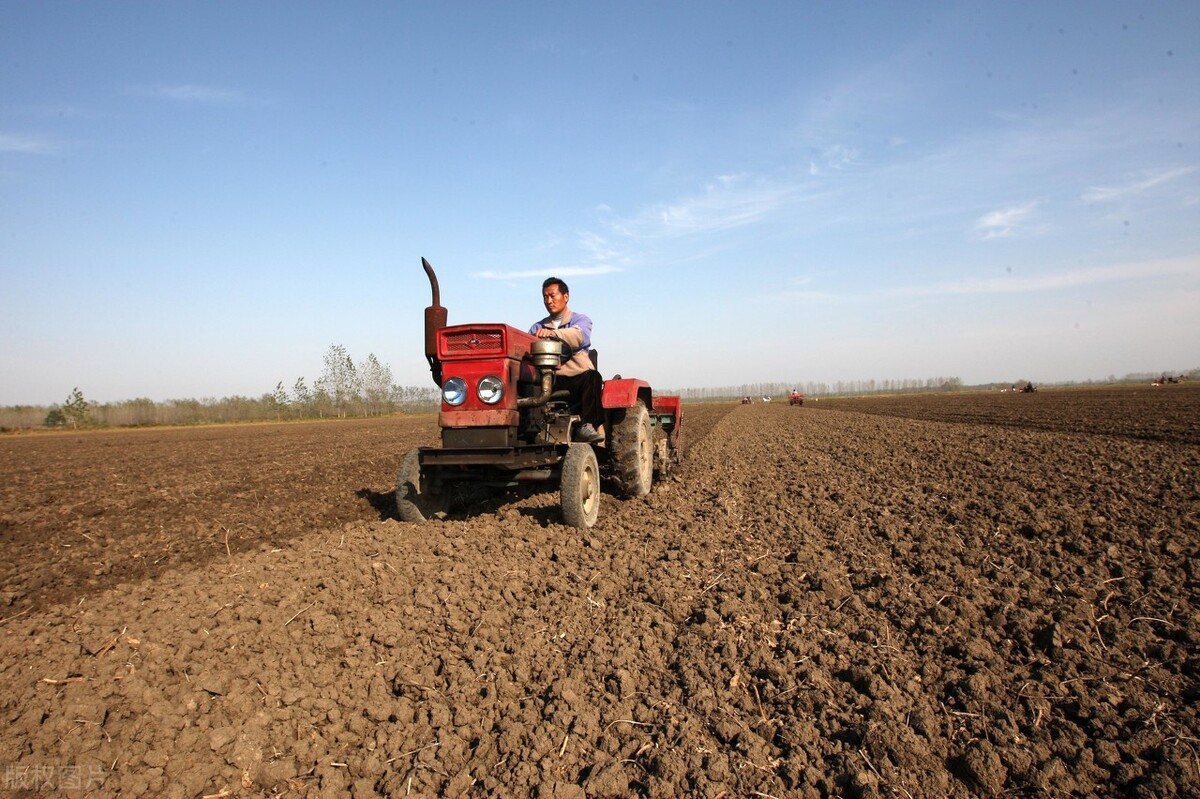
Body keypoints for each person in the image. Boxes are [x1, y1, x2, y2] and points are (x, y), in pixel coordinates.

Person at [529, 277, 605, 442]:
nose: (549, 301)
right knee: (522, 384)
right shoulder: (537, 327)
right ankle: (530, 430)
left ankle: (587, 426)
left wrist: (553, 334)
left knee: (593, 378)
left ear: (565, 296)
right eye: (545, 297)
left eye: (552, 295)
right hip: (549, 377)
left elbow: (579, 336)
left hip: (575, 374)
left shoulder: (580, 320)